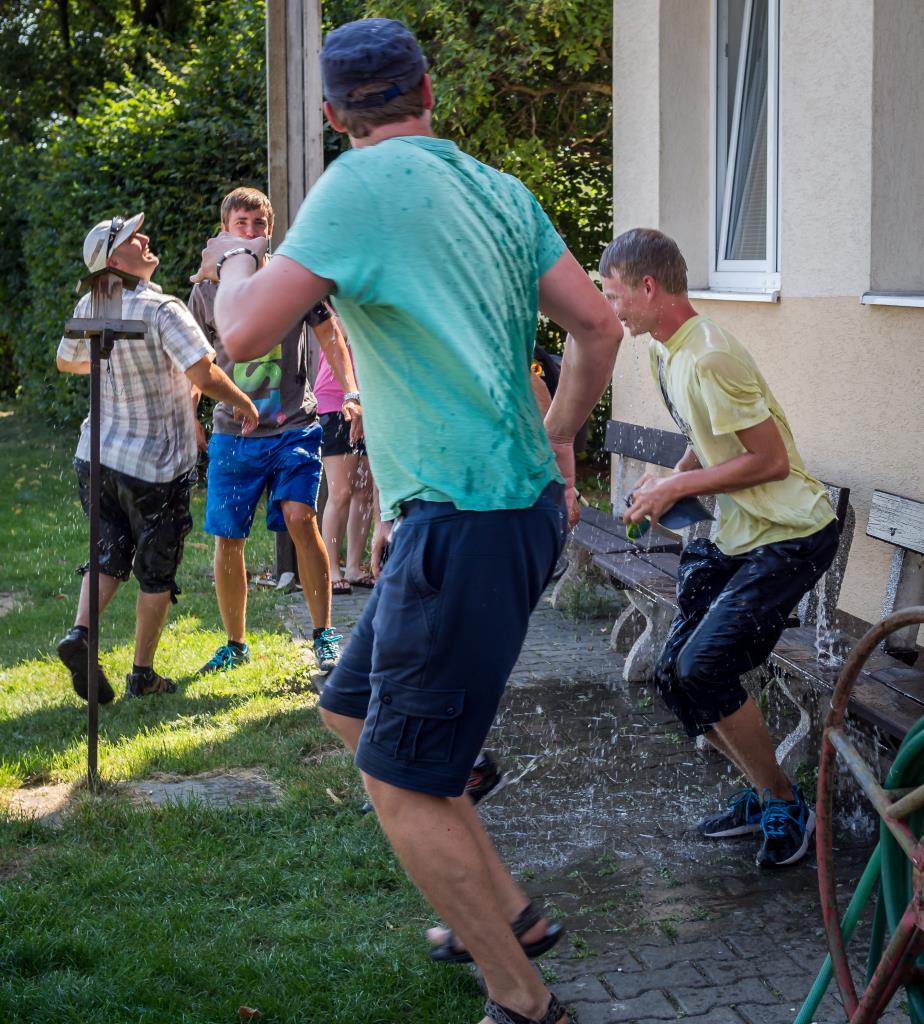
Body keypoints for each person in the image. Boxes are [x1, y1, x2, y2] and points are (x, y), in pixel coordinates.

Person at [193, 19, 621, 1024]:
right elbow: (598, 325)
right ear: (429, 90)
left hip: (467, 520)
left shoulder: (354, 187)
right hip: (487, 509)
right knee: (351, 708)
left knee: (397, 778)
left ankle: (524, 1001)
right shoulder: (498, 189)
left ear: (334, 115)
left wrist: (236, 255)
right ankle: (507, 914)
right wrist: (559, 437)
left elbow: (240, 333)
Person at [601, 227, 839, 868]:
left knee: (703, 666)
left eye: (616, 295)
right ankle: (765, 793)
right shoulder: (666, 352)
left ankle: (785, 802)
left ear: (649, 287)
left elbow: (770, 461)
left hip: (791, 534)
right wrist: (668, 476)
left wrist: (677, 485)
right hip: (742, 533)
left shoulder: (709, 354)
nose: (612, 309)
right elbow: (707, 436)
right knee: (675, 676)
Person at [55, 212, 259, 700]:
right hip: (155, 463)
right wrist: (243, 403)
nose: (144, 237)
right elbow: (204, 374)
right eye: (131, 236)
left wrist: (115, 367)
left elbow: (66, 361)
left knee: (108, 551)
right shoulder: (163, 308)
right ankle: (142, 675)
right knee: (156, 568)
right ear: (114, 260)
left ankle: (81, 633)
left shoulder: (92, 302)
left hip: (96, 456)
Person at [188, 187, 360, 676]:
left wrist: (351, 392)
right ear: (224, 231)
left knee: (301, 517)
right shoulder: (205, 292)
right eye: (239, 224)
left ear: (270, 230)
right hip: (233, 433)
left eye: (258, 224)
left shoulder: (292, 280)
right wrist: (189, 413)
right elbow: (193, 360)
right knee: (228, 538)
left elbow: (330, 335)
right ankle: (235, 643)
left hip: (294, 427)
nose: (249, 232)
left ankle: (324, 634)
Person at [315, 340, 375, 594]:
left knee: (365, 492)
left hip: (370, 402)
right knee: (340, 492)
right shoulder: (334, 314)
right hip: (335, 402)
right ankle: (330, 568)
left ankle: (353, 567)